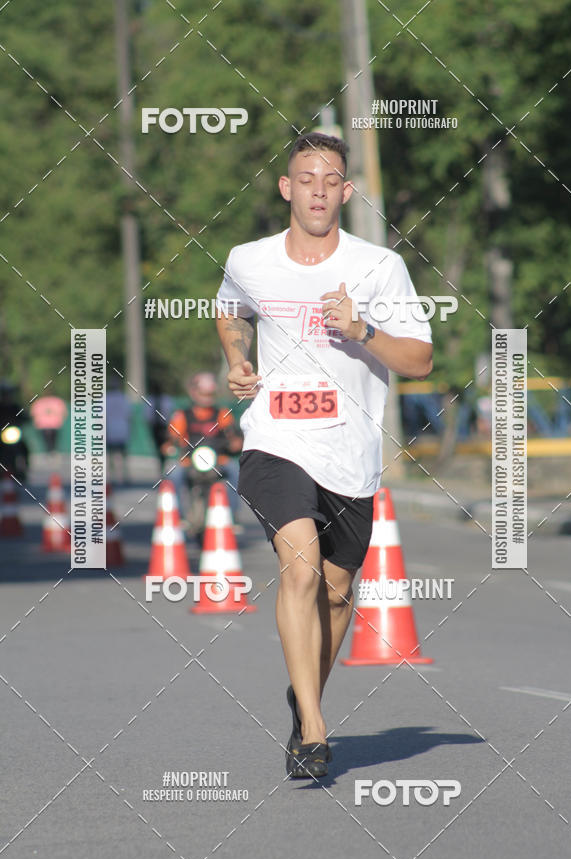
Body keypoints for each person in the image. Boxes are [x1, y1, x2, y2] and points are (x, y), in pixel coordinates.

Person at [215, 132, 433, 779]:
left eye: (328, 178)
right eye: (304, 177)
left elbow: (420, 360)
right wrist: (236, 358)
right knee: (301, 568)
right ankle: (312, 730)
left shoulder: (378, 267)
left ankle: (302, 689)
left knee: (337, 596)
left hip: (351, 454)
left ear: (346, 190)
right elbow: (230, 310)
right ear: (286, 187)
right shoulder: (249, 259)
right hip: (275, 441)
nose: (316, 189)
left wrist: (362, 330)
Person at [164, 372, 243, 522]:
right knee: (172, 474)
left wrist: (235, 443)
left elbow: (233, 436)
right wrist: (171, 445)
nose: (207, 398)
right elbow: (172, 437)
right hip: (189, 461)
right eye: (204, 394)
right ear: (194, 392)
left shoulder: (222, 414)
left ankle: (232, 516)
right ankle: (178, 516)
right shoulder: (182, 415)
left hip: (218, 460)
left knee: (235, 470)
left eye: (210, 394)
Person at [106, 380, 131, 485]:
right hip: (122, 429)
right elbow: (129, 415)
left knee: (110, 454)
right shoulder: (124, 398)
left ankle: (110, 476)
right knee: (120, 454)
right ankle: (120, 476)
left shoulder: (105, 398)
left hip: (110, 429)